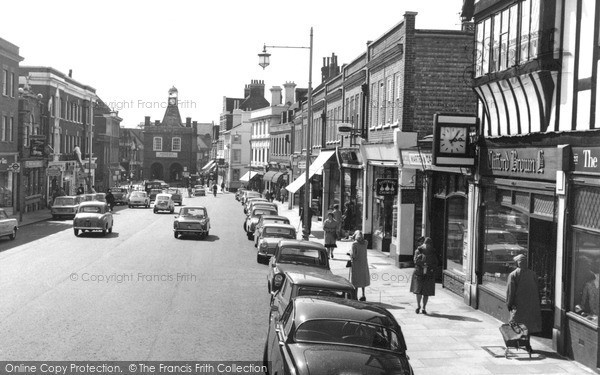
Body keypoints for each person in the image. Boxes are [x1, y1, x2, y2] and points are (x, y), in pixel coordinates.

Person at [506, 254, 543, 333]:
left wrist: (509, 304)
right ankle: (526, 342)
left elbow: (510, 292)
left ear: (517, 263)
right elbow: (537, 289)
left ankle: (519, 342)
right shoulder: (532, 274)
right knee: (528, 326)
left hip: (519, 305)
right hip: (531, 305)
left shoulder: (513, 275)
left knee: (518, 326)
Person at [410, 237, 438, 314]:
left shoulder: (432, 252)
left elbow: (435, 263)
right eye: (426, 244)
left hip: (427, 273)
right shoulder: (419, 250)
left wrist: (430, 266)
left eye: (428, 244)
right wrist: (423, 264)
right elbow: (415, 261)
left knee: (425, 292)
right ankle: (419, 306)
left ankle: (423, 307)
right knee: (419, 291)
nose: (427, 246)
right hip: (420, 273)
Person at [349, 230, 370, 301]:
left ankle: (356, 296)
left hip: (356, 264)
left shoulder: (354, 244)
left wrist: (350, 254)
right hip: (364, 264)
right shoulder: (366, 243)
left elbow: (353, 255)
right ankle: (363, 294)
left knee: (356, 280)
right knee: (363, 279)